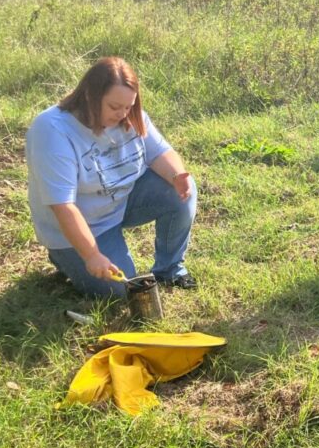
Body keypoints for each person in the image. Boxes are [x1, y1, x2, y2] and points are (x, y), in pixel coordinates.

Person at [25, 57, 197, 298]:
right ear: (89, 96)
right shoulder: (52, 130)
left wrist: (177, 175)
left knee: (180, 192)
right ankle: (64, 257)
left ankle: (170, 269)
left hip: (121, 201)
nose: (123, 114)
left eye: (129, 106)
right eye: (115, 107)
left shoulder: (128, 114)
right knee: (119, 291)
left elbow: (160, 153)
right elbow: (62, 205)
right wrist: (92, 255)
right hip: (82, 225)